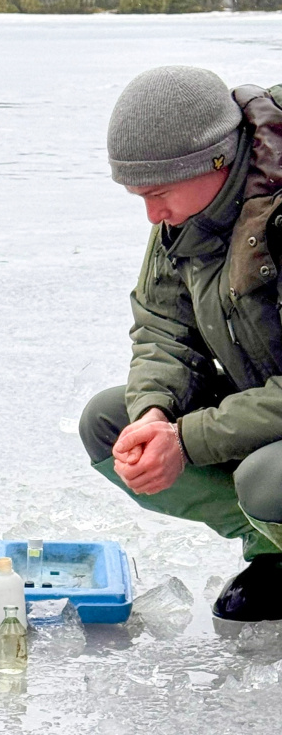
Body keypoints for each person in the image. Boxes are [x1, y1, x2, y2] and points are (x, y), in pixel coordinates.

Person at [79, 65, 282, 623]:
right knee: (110, 422)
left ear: (215, 161)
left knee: (268, 478)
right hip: (266, 410)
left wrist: (187, 439)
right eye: (138, 195)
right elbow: (162, 327)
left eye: (159, 193)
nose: (152, 215)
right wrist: (153, 413)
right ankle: (274, 551)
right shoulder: (191, 212)